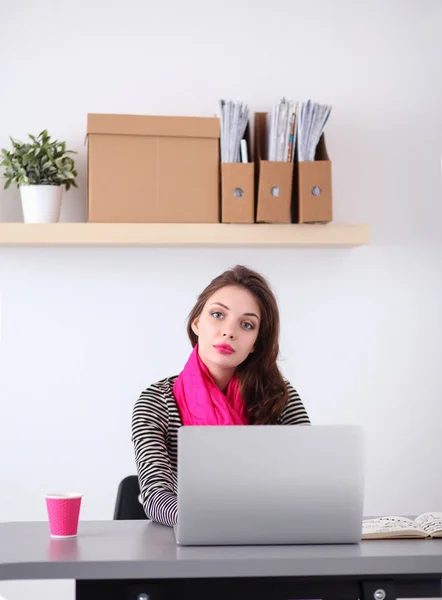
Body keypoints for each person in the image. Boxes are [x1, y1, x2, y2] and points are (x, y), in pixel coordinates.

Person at [131, 265, 310, 526]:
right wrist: (214, 522)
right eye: (217, 315)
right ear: (196, 323)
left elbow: (309, 480)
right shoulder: (156, 402)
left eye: (247, 324)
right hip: (189, 541)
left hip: (267, 537)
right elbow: (155, 495)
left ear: (255, 343)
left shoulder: (280, 397)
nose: (229, 331)